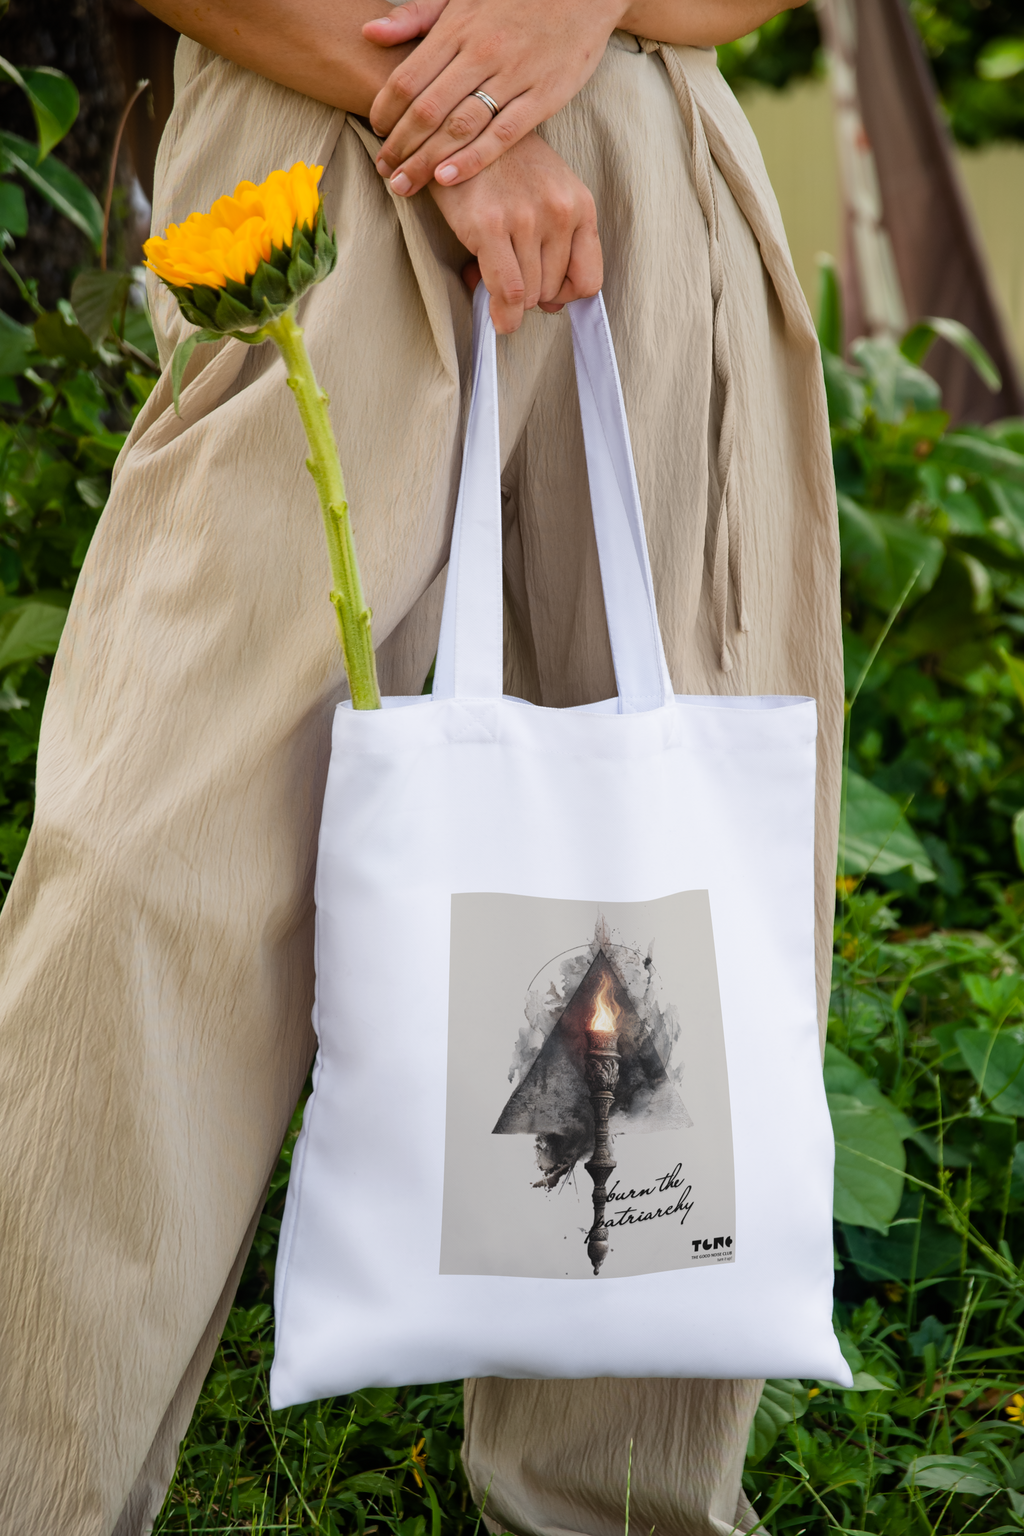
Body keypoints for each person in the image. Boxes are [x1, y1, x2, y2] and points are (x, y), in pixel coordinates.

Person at [0, 0, 843, 1530]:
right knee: (140, 878)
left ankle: (615, 1504)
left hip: (656, 191)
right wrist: (465, 123)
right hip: (312, 164)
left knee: (649, 930)